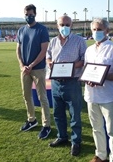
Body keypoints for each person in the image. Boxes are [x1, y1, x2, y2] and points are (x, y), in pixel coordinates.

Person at [46, 15, 87, 156]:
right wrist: (50, 62)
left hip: (72, 82)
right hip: (56, 82)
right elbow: (48, 55)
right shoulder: (53, 41)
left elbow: (84, 60)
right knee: (58, 113)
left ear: (72, 25)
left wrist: (69, 67)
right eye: (62, 24)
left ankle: (76, 141)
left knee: (75, 114)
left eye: (67, 24)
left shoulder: (79, 41)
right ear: (57, 26)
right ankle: (62, 136)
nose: (65, 27)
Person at [84, 18, 113, 162]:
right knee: (96, 128)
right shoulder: (89, 50)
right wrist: (88, 78)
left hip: (109, 97)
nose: (96, 32)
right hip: (91, 95)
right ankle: (100, 155)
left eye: (99, 29)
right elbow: (87, 70)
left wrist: (103, 77)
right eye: (94, 29)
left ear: (107, 30)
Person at [16, 4, 51, 139]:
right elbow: (18, 49)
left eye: (30, 14)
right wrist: (22, 65)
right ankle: (32, 120)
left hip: (38, 69)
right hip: (25, 69)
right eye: (26, 14)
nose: (28, 17)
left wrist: (31, 65)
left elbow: (44, 51)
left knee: (42, 97)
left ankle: (46, 125)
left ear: (35, 14)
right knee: (26, 96)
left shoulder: (42, 30)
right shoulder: (21, 30)